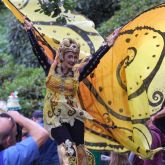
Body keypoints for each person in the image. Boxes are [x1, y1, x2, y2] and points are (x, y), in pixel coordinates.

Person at [24, 18, 120, 164]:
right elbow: (38, 51)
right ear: (62, 55)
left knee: (81, 153)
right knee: (69, 149)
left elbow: (93, 61)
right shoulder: (50, 68)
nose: (73, 60)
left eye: (75, 57)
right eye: (70, 56)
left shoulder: (77, 72)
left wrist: (107, 44)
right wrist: (30, 31)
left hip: (73, 115)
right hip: (54, 117)